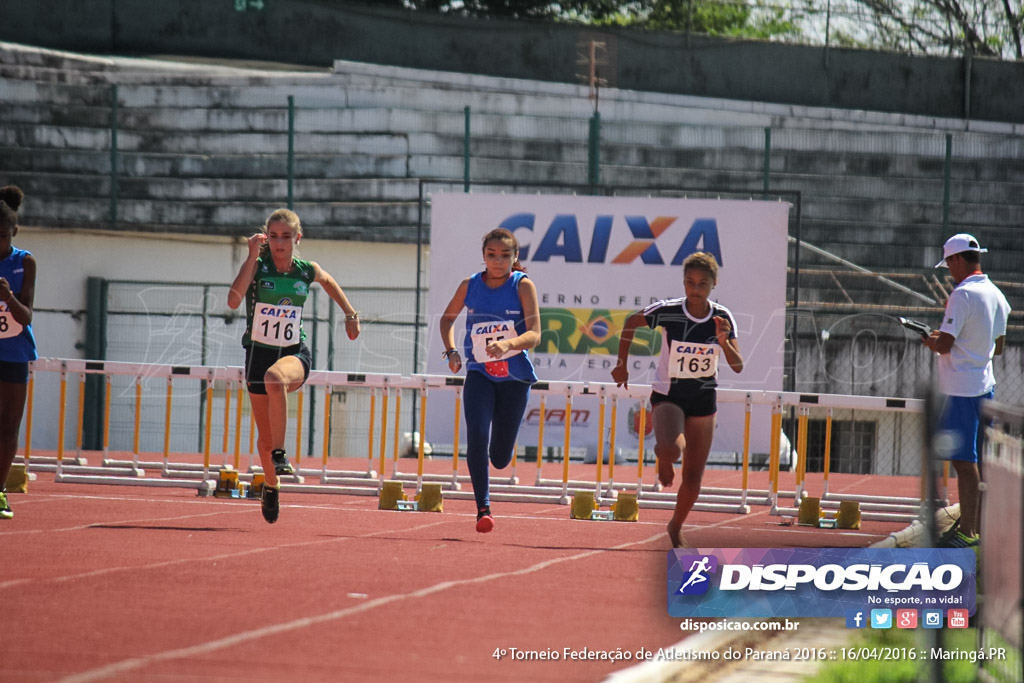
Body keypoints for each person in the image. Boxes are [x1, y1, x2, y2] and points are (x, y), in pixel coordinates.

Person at [227, 209, 360, 524]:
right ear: (266, 238)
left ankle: (280, 453)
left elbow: (327, 280)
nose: (279, 243)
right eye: (273, 236)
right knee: (263, 437)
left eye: (286, 236)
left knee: (276, 380)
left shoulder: (304, 270)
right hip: (258, 353)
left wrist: (351, 314)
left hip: (292, 353)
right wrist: (249, 257)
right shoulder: (258, 267)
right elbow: (233, 301)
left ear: (297, 239)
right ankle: (271, 485)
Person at [612, 252, 743, 548]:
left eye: (702, 284)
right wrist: (622, 363)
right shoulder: (669, 310)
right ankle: (665, 457)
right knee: (672, 448)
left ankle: (675, 525)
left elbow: (737, 365)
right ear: (683, 282)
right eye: (689, 282)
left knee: (694, 476)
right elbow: (631, 323)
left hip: (703, 401)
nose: (695, 289)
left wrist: (723, 341)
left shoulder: (722, 318)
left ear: (714, 284)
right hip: (668, 395)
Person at [439, 228, 540, 533]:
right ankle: (483, 507)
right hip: (480, 373)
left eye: (505, 255)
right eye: (491, 255)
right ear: (483, 256)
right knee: (477, 434)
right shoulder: (470, 285)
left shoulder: (522, 286)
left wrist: (508, 345)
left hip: (514, 378)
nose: (498, 261)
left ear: (515, 257)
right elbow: (446, 319)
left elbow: (535, 334)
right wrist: (452, 351)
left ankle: (502, 453)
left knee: (499, 457)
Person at [924, 233, 1010, 548]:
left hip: (959, 388)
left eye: (949, 264)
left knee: (963, 462)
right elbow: (998, 348)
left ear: (957, 259)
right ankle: (973, 527)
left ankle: (968, 532)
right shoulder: (998, 296)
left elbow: (944, 345)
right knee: (978, 461)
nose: (949, 271)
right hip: (984, 386)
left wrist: (929, 340)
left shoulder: (962, 295)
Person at [0, 185, 33, 521]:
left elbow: (26, 317)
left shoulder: (25, 262)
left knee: (8, 428)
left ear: (14, 232)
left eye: (4, 236)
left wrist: (8, 298)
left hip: (14, 353)